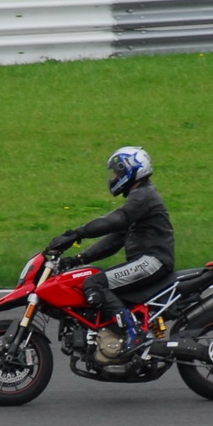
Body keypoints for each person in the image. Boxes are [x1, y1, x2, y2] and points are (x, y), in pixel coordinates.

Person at [45, 146, 174, 349]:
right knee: (95, 279)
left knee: (94, 283)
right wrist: (78, 259)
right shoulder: (140, 197)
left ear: (131, 169)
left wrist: (77, 233)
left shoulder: (143, 196)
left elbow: (115, 220)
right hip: (146, 261)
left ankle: (134, 333)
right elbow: (114, 240)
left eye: (117, 172)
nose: (114, 177)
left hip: (152, 261)